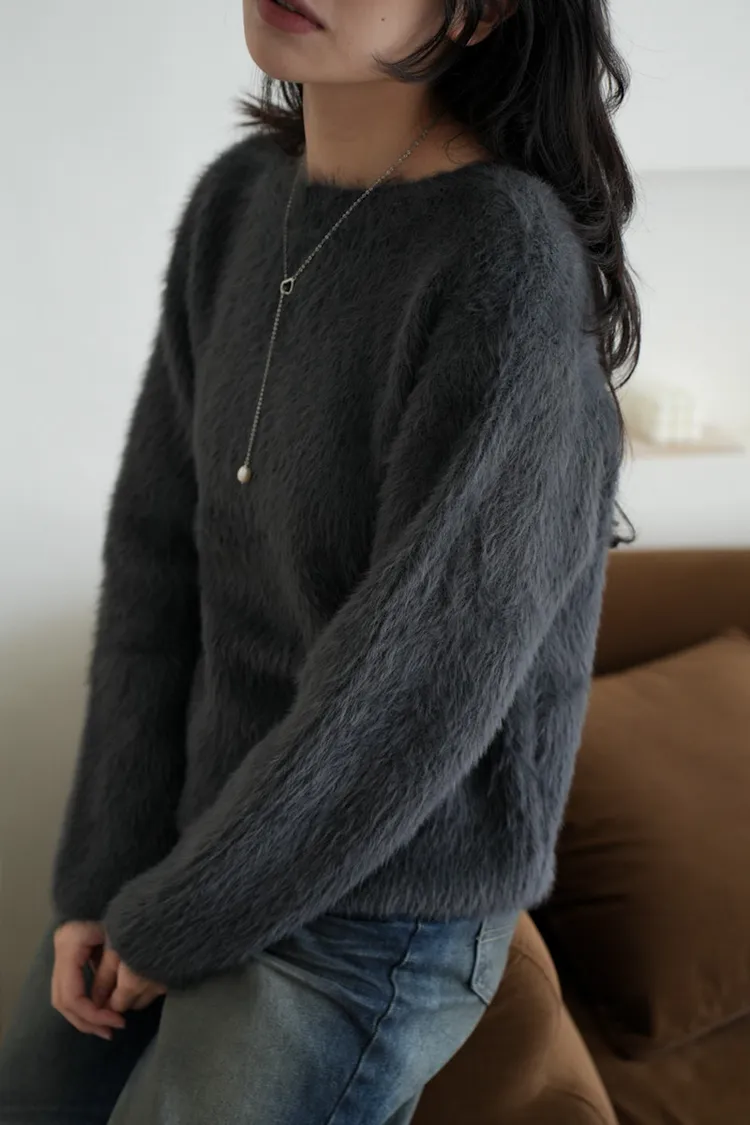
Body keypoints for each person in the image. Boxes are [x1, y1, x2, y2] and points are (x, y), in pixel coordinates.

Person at [0, 0, 640, 1122]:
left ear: (484, 12)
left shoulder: (508, 261)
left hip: (374, 909)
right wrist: (102, 879)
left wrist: (179, 918)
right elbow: (156, 563)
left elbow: (411, 694)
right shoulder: (237, 202)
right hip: (194, 850)